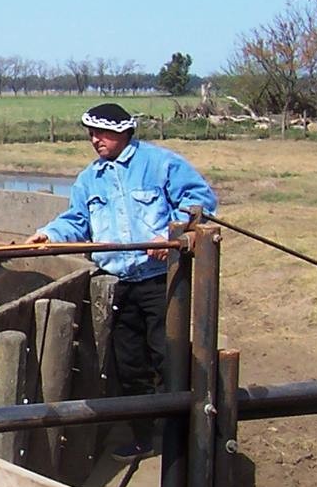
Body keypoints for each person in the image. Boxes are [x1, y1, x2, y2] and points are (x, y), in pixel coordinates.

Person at [24, 102, 217, 462]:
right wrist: (50, 234)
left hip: (162, 281)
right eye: (91, 134)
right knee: (129, 363)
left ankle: (183, 439)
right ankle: (144, 437)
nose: (95, 140)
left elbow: (200, 200)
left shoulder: (159, 164)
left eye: (102, 133)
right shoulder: (89, 179)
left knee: (169, 356)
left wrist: (169, 235)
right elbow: (77, 222)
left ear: (124, 132)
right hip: (118, 284)